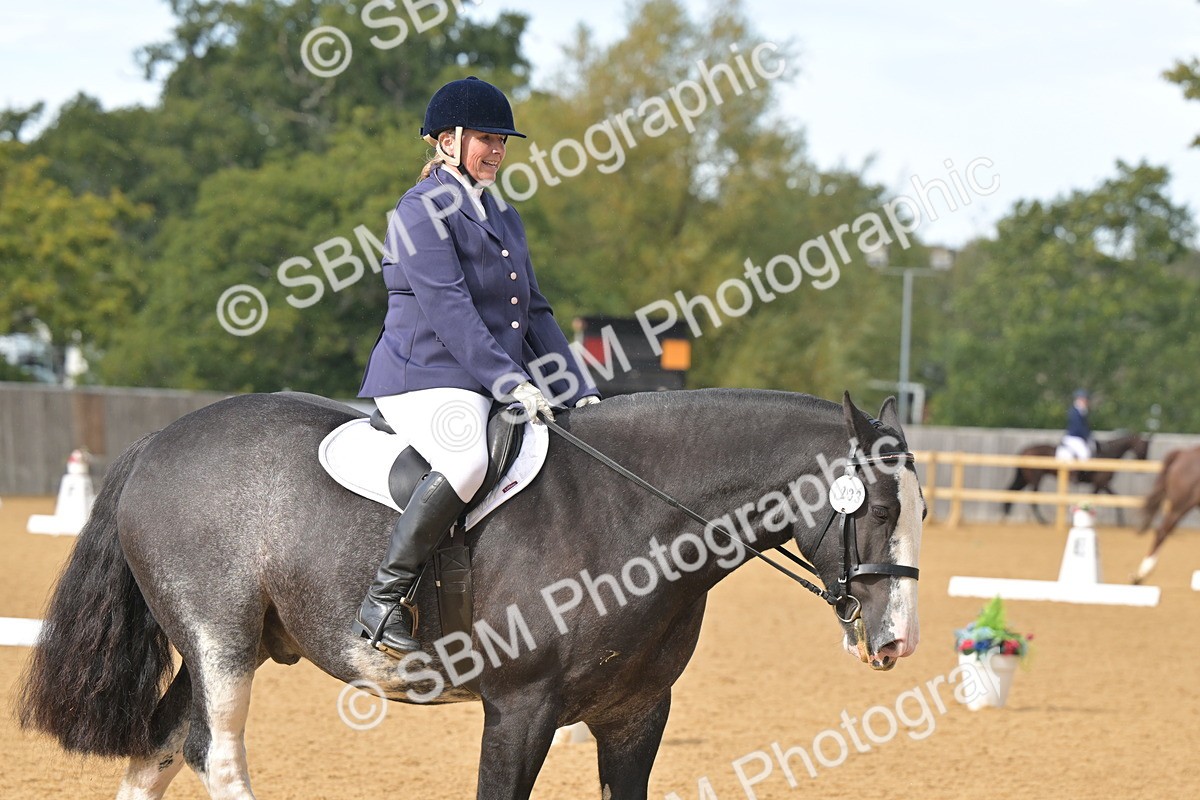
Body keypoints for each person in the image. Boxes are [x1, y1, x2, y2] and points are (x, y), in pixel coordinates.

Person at [354, 76, 600, 657]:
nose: (496, 150)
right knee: (467, 460)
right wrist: (511, 380)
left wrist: (576, 388)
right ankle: (383, 599)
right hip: (424, 377)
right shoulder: (418, 211)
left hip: (486, 378)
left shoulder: (503, 214)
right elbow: (450, 308)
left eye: (502, 141)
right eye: (486, 139)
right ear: (448, 141)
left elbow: (534, 310)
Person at [1059, 389, 1093, 461]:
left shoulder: (1082, 411)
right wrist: (1086, 436)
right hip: (1075, 438)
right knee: (1085, 454)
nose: (1086, 402)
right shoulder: (1075, 412)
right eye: (1085, 399)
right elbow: (1078, 428)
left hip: (1077, 438)